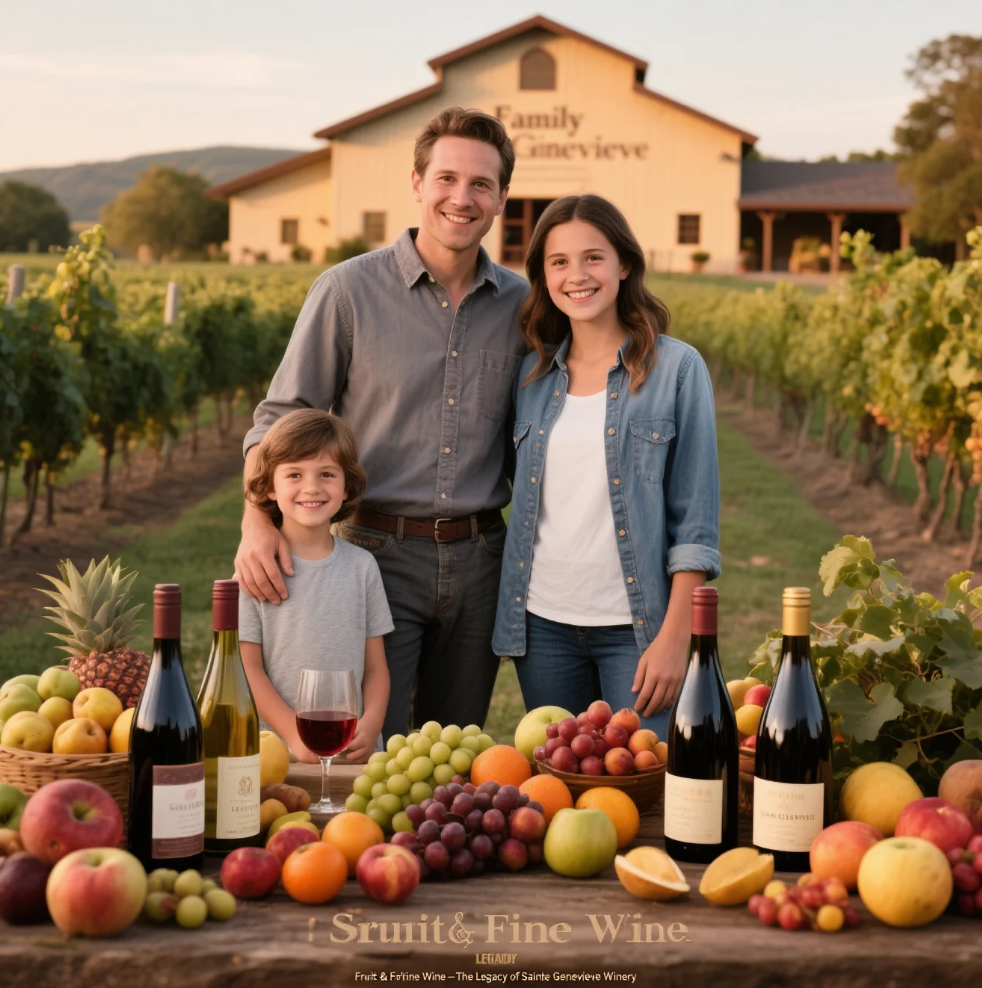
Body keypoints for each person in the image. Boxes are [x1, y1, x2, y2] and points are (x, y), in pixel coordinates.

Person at [235, 107, 529, 740]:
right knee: (366, 748)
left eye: (482, 184)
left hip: (483, 560)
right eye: (447, 177)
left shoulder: (525, 306)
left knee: (450, 759)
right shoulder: (347, 292)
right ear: (418, 182)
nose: (462, 197)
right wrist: (256, 518)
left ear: (502, 198)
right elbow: (280, 417)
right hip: (374, 555)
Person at [492, 195, 721, 737]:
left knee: (646, 790)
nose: (577, 275)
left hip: (637, 632)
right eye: (559, 262)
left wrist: (674, 638)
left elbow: (695, 523)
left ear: (624, 264)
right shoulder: (531, 376)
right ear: (544, 277)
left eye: (593, 257)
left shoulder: (677, 370)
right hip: (543, 627)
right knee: (565, 796)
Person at [239, 408, 393, 762]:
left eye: (326, 474)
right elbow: (247, 669)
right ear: (269, 489)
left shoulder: (362, 567)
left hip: (351, 754)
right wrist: (294, 736)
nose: (312, 487)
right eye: (294, 474)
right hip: (278, 756)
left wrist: (370, 726)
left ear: (346, 486)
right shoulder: (256, 570)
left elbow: (376, 668)